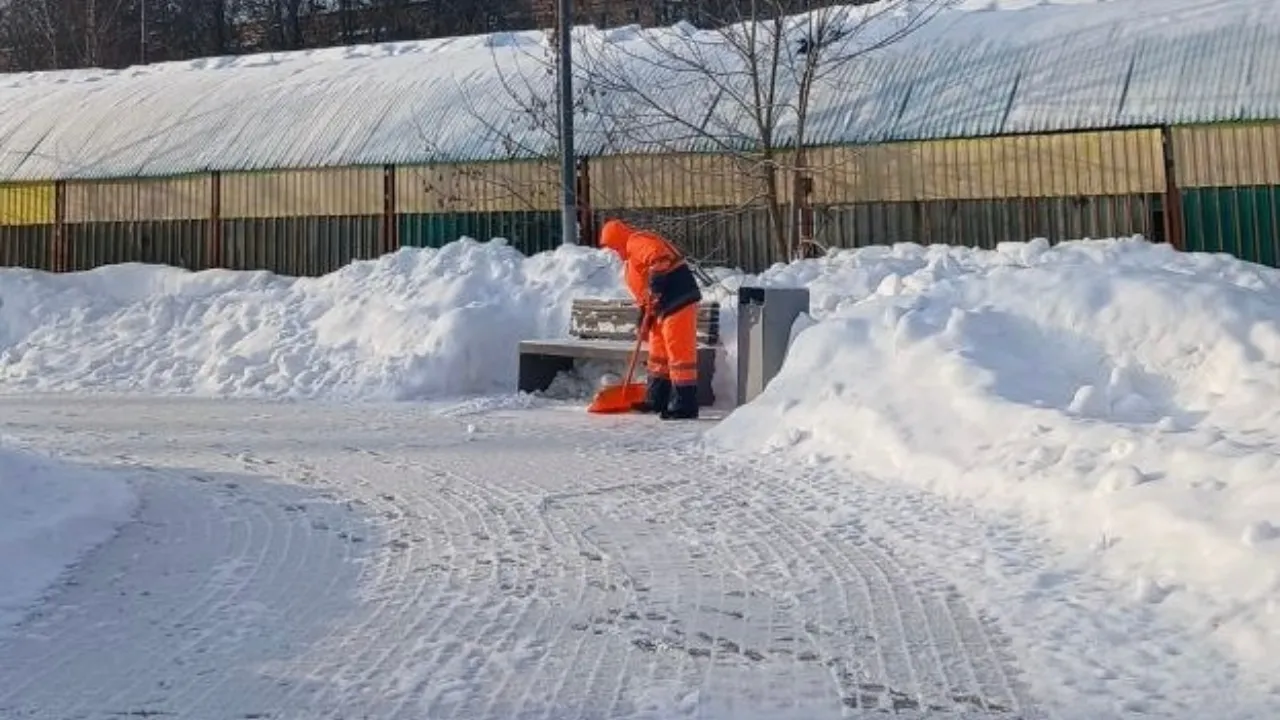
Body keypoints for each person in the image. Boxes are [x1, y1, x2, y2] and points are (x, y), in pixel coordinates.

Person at [598, 218, 702, 420]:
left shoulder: (637, 241)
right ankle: (656, 399)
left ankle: (685, 405)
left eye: (611, 246)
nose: (612, 252)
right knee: (658, 355)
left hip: (677, 298)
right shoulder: (630, 262)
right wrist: (643, 313)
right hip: (661, 308)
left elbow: (659, 258)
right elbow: (643, 292)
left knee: (679, 354)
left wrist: (656, 287)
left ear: (617, 239)